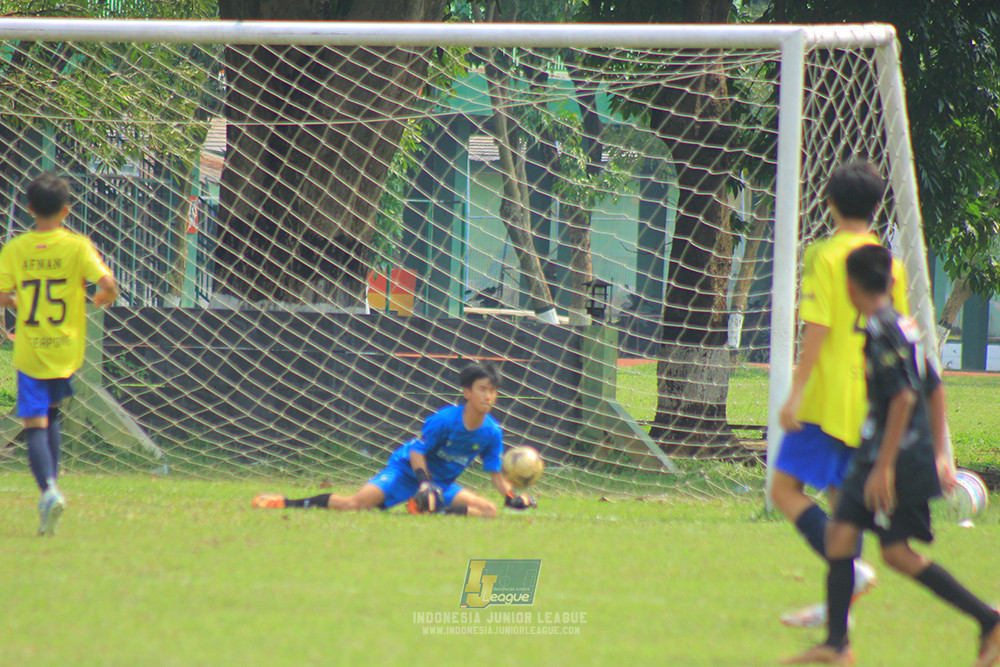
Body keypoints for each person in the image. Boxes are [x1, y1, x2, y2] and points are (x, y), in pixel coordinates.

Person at [782, 243, 1000, 666]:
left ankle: (989, 621)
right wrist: (941, 450)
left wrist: (884, 467)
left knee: (896, 553)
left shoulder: (882, 329)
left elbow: (903, 397)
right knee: (842, 535)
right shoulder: (904, 325)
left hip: (893, 460)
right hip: (879, 455)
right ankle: (837, 646)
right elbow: (933, 385)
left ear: (850, 286)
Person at [772, 161, 910, 627]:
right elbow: (900, 335)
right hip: (871, 401)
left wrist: (796, 392)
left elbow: (818, 328)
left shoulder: (824, 255)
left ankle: (851, 574)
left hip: (828, 399)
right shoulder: (892, 265)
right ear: (877, 207)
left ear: (828, 203)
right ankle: (839, 613)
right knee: (842, 501)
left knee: (784, 490)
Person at [252, 363, 536, 517]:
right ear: (467, 392)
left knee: (487, 511)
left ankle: (422, 507)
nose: (488, 396)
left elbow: (496, 474)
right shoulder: (445, 419)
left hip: (440, 484)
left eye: (493, 391)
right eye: (482, 389)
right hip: (407, 471)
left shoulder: (491, 432)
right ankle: (285, 503)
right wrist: (424, 482)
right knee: (354, 505)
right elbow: (417, 453)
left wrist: (512, 497)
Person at [0, 172, 119, 536]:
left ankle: (49, 490)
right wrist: (102, 298)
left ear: (29, 208)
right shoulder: (78, 246)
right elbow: (108, 284)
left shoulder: (16, 249)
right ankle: (51, 490)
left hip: (32, 349)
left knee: (34, 422)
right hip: (65, 349)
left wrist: (15, 303)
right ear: (66, 210)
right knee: (51, 414)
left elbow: (2, 293)